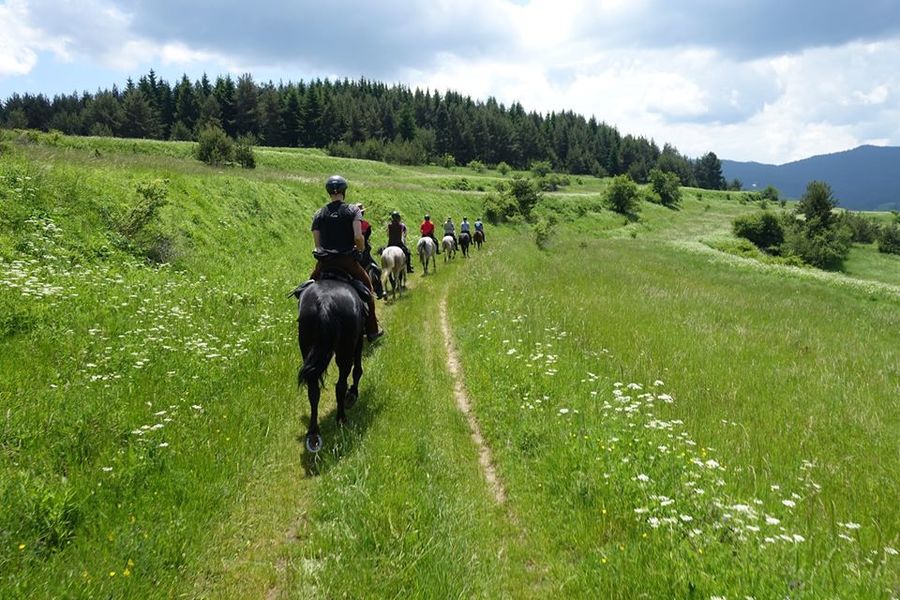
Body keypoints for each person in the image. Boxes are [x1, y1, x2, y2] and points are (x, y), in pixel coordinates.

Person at [309, 175, 383, 342]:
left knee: (308, 287)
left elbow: (317, 245)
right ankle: (372, 330)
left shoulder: (318, 213)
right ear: (344, 191)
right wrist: (361, 250)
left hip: (324, 263)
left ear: (329, 192)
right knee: (368, 288)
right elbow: (358, 237)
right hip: (347, 261)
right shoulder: (353, 210)